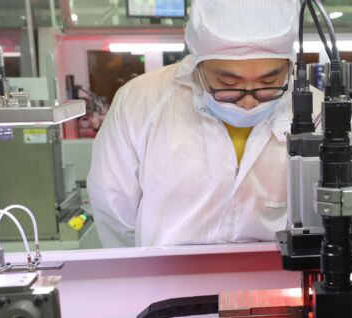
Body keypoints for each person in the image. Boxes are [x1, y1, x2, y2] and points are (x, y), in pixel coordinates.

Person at [87, 0, 300, 247]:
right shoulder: (140, 102)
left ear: (290, 66)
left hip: (276, 280)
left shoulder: (317, 110)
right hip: (166, 279)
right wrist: (143, 276)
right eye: (229, 84)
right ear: (197, 64)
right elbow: (113, 207)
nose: (249, 101)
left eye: (268, 81)